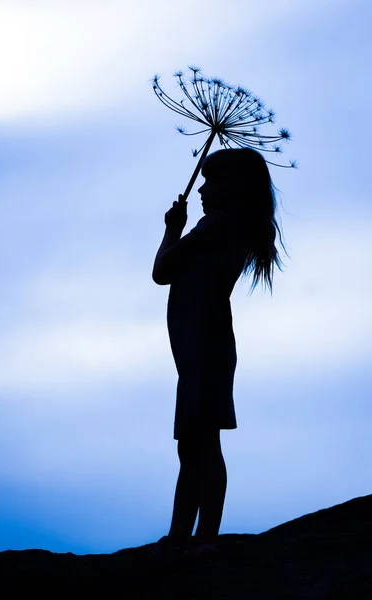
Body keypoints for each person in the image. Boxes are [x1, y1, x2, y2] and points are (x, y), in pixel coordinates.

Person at [151, 148, 287, 556]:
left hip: (204, 348)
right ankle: (184, 536)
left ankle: (202, 536)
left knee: (202, 444)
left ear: (233, 187)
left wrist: (173, 228)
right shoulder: (226, 226)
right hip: (201, 349)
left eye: (213, 182)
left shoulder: (218, 226)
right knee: (194, 444)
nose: (205, 189)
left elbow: (161, 271)